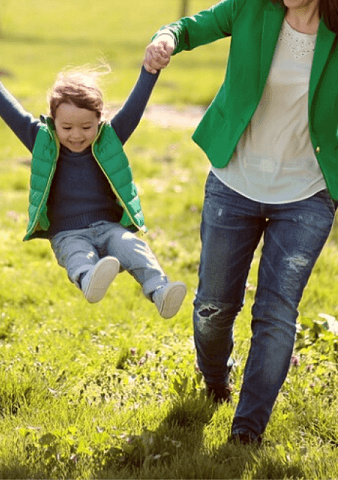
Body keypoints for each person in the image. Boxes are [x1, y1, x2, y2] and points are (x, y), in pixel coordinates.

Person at [144, 0, 338, 445]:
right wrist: (165, 39)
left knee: (276, 312)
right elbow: (188, 27)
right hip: (235, 181)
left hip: (307, 193)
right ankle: (215, 382)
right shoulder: (250, 7)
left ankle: (247, 431)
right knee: (213, 307)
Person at [0, 64, 188, 319]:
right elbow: (11, 112)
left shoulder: (110, 138)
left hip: (110, 228)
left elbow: (135, 106)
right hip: (67, 233)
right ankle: (89, 279)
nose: (76, 135)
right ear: (53, 122)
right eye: (66, 128)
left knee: (133, 247)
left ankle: (160, 292)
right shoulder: (42, 141)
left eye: (87, 127)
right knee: (78, 255)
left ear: (100, 121)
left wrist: (150, 70)